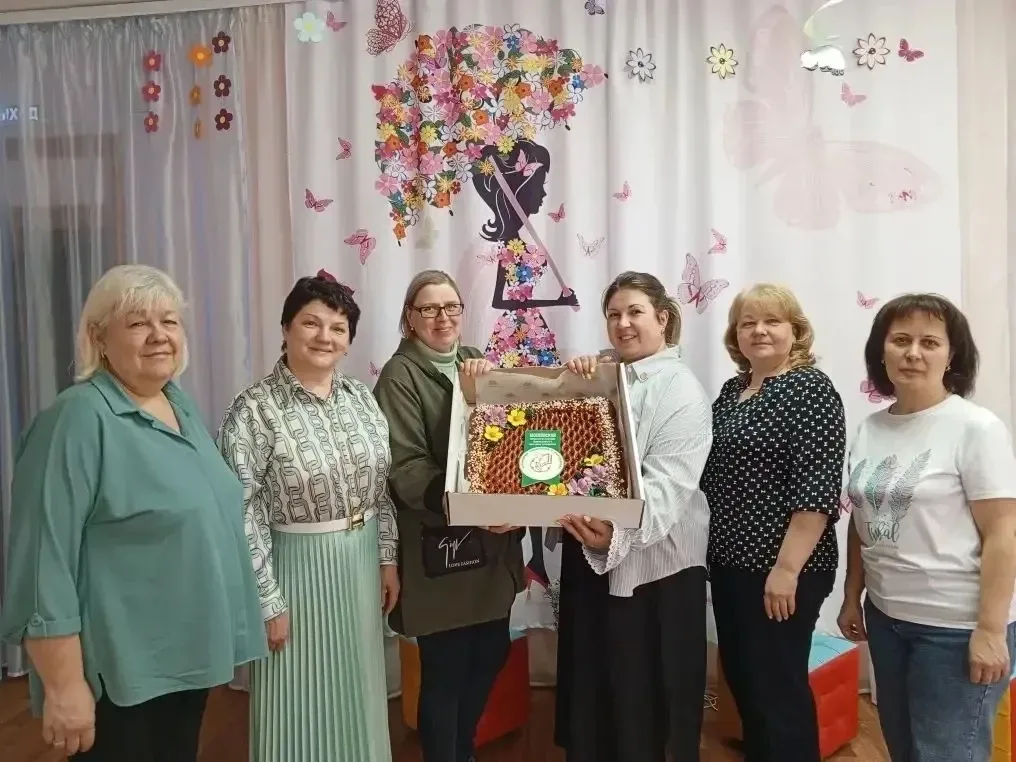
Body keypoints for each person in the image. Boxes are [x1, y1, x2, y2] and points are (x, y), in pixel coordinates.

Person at [0, 264, 266, 761]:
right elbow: (42, 561)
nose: (159, 334)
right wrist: (63, 685)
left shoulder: (177, 405)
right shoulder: (77, 419)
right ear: (99, 338)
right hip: (123, 675)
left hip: (184, 662)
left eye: (169, 321)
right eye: (138, 322)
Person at [218, 270, 399, 762]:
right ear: (286, 328)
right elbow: (242, 511)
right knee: (295, 701)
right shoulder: (254, 409)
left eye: (338, 328)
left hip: (360, 564)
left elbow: (381, 489)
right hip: (293, 570)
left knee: (359, 695)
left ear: (349, 340)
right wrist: (266, 600)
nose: (325, 337)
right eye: (311, 323)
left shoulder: (361, 398)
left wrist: (386, 558)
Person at [837, 293, 1016, 762]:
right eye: (900, 340)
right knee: (903, 747)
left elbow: (1003, 534)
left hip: (955, 627)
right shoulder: (871, 427)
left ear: (951, 355)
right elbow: (863, 517)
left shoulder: (976, 428)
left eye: (929, 342)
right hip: (887, 617)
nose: (913, 353)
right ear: (881, 351)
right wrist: (852, 594)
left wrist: (990, 630)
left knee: (946, 754)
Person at [554, 271, 714, 762]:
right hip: (589, 554)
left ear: (662, 319)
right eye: (613, 315)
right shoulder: (601, 375)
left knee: (649, 706)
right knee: (594, 699)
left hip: (657, 571)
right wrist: (571, 382)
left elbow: (669, 485)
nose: (623, 324)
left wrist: (617, 535)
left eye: (635, 312)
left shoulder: (680, 389)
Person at [373, 269, 524, 762]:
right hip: (441, 553)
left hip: (489, 550)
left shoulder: (475, 360)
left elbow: (506, 442)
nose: (442, 318)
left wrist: (513, 502)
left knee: (490, 655)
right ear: (410, 319)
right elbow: (406, 468)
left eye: (451, 307)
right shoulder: (399, 377)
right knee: (446, 672)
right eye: (429, 309)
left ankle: (463, 751)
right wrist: (474, 507)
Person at [701, 283, 846, 762]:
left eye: (772, 321)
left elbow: (817, 492)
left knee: (777, 690)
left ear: (795, 331)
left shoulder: (809, 389)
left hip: (782, 570)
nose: (759, 331)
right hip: (731, 564)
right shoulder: (733, 392)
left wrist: (785, 571)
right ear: (735, 335)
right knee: (746, 683)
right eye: (748, 323)